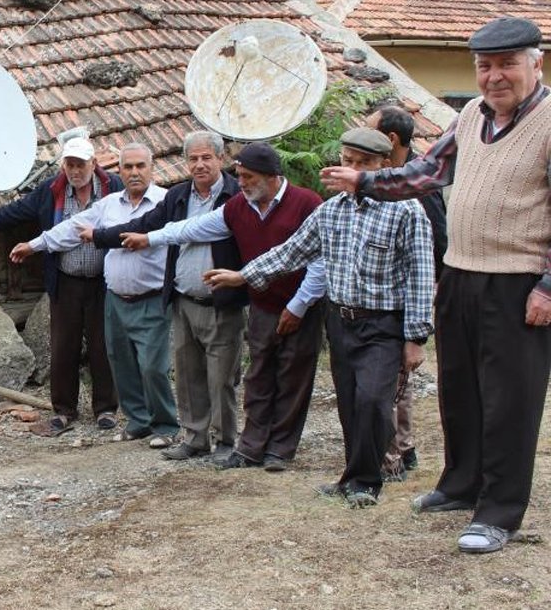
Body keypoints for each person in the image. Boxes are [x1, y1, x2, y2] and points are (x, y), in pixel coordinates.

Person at [321, 16, 551, 553]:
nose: (494, 76)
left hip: (517, 283)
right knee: (460, 391)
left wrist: (548, 287)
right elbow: (425, 172)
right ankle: (460, 484)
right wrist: (366, 180)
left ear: (535, 63)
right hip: (461, 274)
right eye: (485, 66)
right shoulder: (470, 115)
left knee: (508, 401)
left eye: (507, 64)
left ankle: (498, 511)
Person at [209, 128, 435, 508]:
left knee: (373, 403)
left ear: (383, 166)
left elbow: (421, 275)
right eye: (348, 161)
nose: (352, 169)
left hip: (383, 324)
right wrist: (243, 275)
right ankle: (352, 477)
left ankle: (368, 479)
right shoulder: (331, 211)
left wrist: (415, 337)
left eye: (363, 164)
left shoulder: (406, 210)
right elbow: (291, 252)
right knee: (348, 402)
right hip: (341, 321)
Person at [92, 142, 326, 471]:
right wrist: (151, 238)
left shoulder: (306, 203)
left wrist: (299, 304)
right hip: (255, 305)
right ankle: (248, 448)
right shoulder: (235, 206)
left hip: (292, 306)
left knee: (288, 379)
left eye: (246, 176)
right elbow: (193, 227)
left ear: (270, 176)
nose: (240, 182)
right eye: (240, 175)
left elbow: (319, 259)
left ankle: (277, 449)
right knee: (256, 380)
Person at [89, 131, 246, 460]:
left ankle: (226, 441)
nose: (200, 165)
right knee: (188, 375)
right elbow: (145, 223)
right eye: (193, 159)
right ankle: (195, 437)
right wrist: (99, 236)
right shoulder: (177, 197)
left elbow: (169, 233)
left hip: (220, 302)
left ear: (221, 159)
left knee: (220, 377)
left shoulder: (235, 196)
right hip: (184, 299)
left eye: (206, 158)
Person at [13, 143, 178, 447]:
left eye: (140, 166)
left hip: (151, 297)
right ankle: (139, 422)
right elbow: (72, 226)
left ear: (152, 168)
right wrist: (35, 245)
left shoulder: (166, 202)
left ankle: (166, 426)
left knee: (154, 367)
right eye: (128, 167)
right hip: (116, 298)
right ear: (119, 171)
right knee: (120, 362)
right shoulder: (109, 205)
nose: (134, 172)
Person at [0, 137, 122, 434]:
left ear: (93, 164)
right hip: (66, 281)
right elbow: (17, 211)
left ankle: (106, 409)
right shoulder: (52, 190)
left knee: (103, 346)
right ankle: (63, 410)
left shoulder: (115, 188)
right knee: (64, 347)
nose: (75, 171)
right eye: (70, 164)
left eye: (80, 164)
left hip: (104, 281)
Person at [366, 105, 448, 481]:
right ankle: (404, 444)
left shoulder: (418, 186)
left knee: (397, 375)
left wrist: (424, 294)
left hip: (407, 293)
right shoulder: (386, 175)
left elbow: (436, 242)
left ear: (391, 139)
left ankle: (399, 449)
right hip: (382, 292)